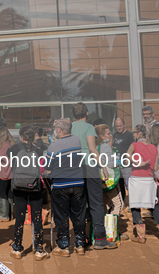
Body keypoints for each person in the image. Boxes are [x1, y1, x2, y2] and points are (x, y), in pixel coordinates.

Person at [71, 102, 117, 249]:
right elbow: (92, 148)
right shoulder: (89, 127)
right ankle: (99, 239)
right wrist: (103, 166)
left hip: (74, 167)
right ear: (86, 113)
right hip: (89, 167)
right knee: (96, 202)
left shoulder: (70, 127)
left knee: (79, 203)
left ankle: (81, 239)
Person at [45, 118, 86, 257]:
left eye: (56, 128)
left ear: (59, 130)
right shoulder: (76, 140)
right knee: (78, 215)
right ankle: (80, 244)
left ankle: (64, 246)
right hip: (78, 183)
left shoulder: (54, 146)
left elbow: (48, 166)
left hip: (61, 184)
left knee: (62, 216)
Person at [8, 126, 49, 261]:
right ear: (33, 137)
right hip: (35, 188)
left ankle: (17, 248)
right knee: (36, 218)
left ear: (21, 137)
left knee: (19, 218)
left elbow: (8, 160)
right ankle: (38, 249)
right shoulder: (38, 150)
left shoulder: (14, 149)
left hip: (19, 188)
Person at [127, 124, 159, 243]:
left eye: (134, 133)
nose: (133, 135)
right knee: (153, 205)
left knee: (135, 205)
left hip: (136, 178)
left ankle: (141, 236)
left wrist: (138, 162)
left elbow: (127, 155)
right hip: (149, 180)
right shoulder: (154, 148)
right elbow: (155, 167)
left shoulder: (134, 145)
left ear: (140, 133)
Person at [95, 125, 123, 217]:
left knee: (105, 206)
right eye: (108, 134)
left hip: (101, 179)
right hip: (110, 179)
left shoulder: (96, 147)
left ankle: (104, 228)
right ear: (102, 136)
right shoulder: (105, 146)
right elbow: (111, 164)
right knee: (119, 204)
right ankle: (111, 229)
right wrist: (120, 163)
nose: (110, 135)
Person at [112, 118, 134, 205]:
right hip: (117, 165)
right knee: (120, 186)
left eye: (120, 125)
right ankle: (123, 203)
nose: (119, 128)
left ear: (124, 125)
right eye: (117, 126)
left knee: (129, 185)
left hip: (127, 165)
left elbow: (133, 148)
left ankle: (133, 204)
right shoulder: (114, 135)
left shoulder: (129, 135)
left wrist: (128, 158)